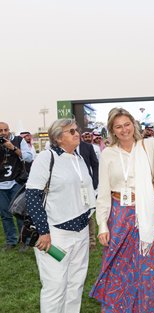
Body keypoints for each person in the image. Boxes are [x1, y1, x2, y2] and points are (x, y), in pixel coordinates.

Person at [90, 108, 154, 312]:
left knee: (147, 271)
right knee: (118, 270)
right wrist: (102, 225)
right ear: (113, 130)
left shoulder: (149, 146)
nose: (124, 130)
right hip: (120, 215)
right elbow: (103, 193)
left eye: (127, 124)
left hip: (149, 214)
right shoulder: (108, 154)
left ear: (134, 125)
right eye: (118, 126)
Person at [26, 118, 96, 313]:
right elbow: (33, 195)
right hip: (55, 235)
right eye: (71, 131)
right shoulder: (46, 158)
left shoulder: (79, 158)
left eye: (76, 130)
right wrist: (43, 232)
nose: (77, 134)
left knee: (76, 284)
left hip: (81, 231)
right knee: (55, 286)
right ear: (58, 137)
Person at [0, 122, 33, 250]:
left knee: (20, 213)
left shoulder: (19, 140)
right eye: (0, 130)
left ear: (9, 130)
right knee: (5, 215)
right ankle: (11, 241)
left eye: (5, 130)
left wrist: (12, 148)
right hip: (1, 184)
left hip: (16, 182)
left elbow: (29, 158)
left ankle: (24, 240)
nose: (3, 132)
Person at [77, 135, 99, 250]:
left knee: (88, 213)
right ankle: (79, 241)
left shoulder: (87, 147)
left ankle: (92, 242)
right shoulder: (62, 148)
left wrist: (95, 182)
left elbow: (95, 165)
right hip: (71, 187)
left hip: (86, 187)